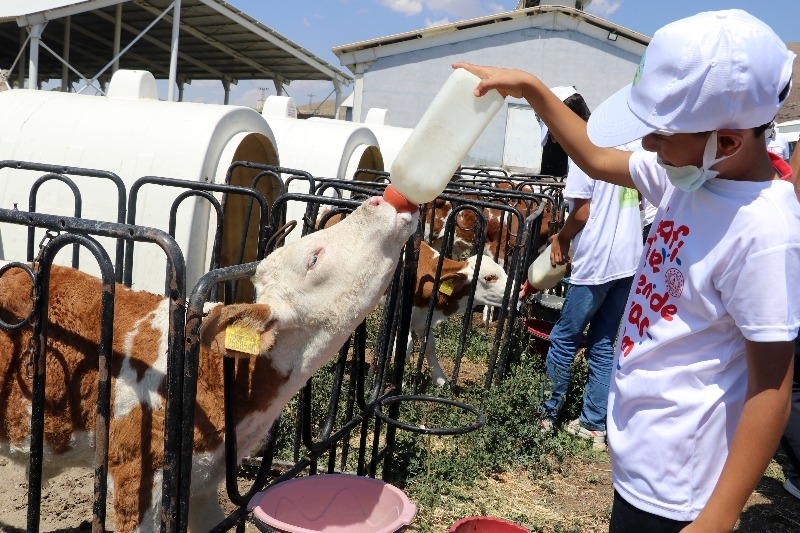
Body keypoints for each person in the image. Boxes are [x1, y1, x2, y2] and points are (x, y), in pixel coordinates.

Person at [455, 8, 800, 533]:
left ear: (726, 142)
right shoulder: (690, 177)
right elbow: (595, 156)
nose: (646, 147)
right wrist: (533, 89)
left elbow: (772, 387)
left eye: (658, 134)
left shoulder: (764, 233)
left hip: (682, 488)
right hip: (640, 454)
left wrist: (720, 515)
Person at [526, 89, 643, 450]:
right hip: (628, 258)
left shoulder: (583, 151)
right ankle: (593, 426)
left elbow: (583, 211)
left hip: (598, 262)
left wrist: (560, 239)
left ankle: (546, 416)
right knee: (604, 341)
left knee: (564, 337)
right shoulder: (620, 144)